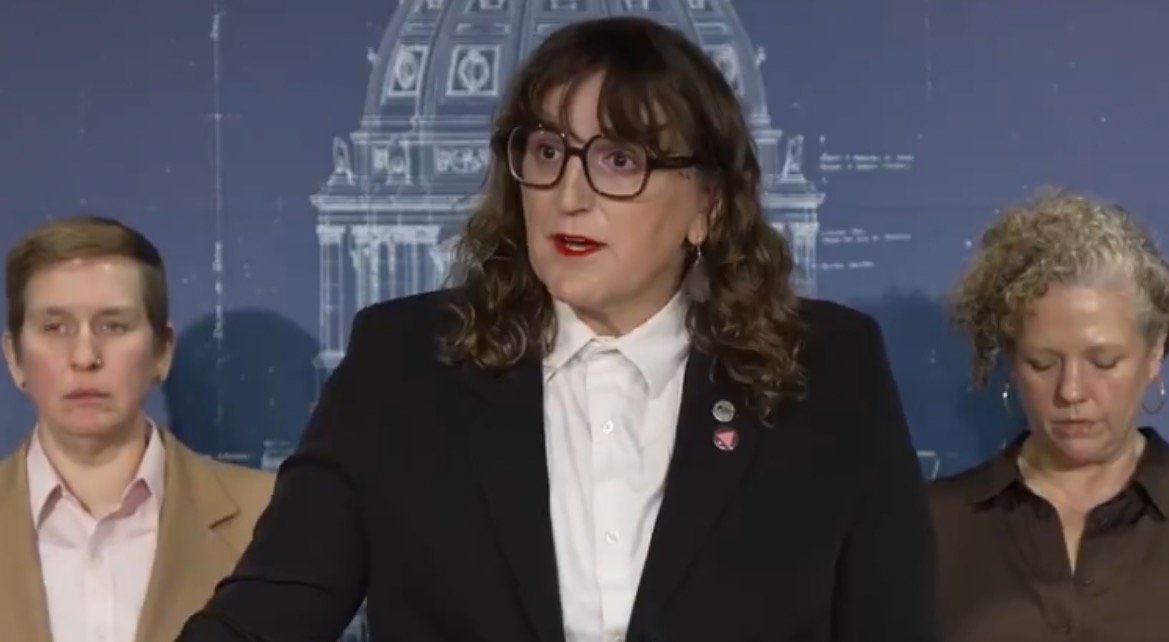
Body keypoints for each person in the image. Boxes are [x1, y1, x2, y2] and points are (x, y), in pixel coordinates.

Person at [179, 16, 937, 642]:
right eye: (547, 152)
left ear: (708, 204)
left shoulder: (828, 371)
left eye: (619, 159)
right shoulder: (404, 366)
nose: (570, 193)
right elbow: (263, 622)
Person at [0, 216, 275, 642]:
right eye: (56, 327)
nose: (85, 355)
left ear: (161, 351)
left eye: (114, 325)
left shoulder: (268, 517)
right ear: (15, 358)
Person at [931, 190, 1169, 641]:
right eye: (1042, 363)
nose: (1071, 392)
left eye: (1103, 362)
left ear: (1154, 353)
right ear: (1010, 359)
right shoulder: (935, 527)